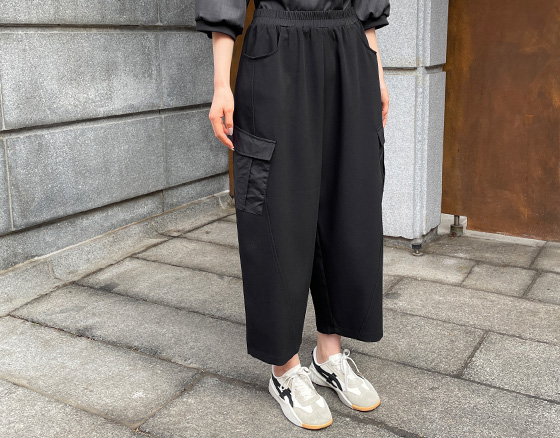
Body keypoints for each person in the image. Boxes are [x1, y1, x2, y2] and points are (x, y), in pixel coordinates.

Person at [195, 0, 389, 430]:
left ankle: (328, 355)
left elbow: (367, 10)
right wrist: (221, 83)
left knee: (349, 203)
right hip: (275, 49)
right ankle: (284, 368)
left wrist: (375, 73)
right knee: (276, 208)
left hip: (349, 52)